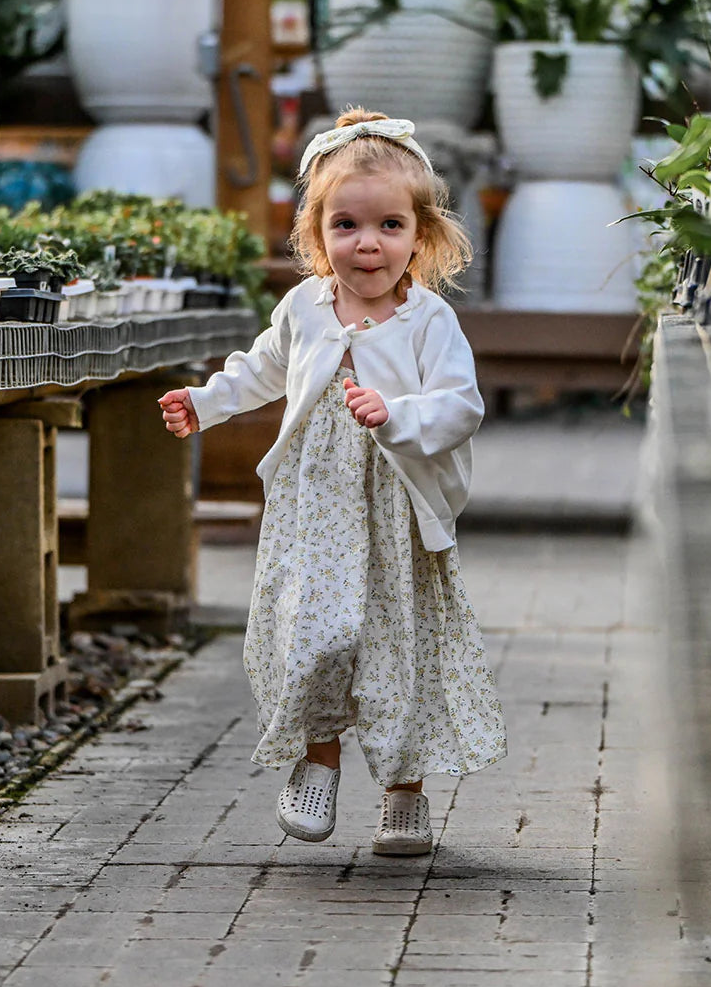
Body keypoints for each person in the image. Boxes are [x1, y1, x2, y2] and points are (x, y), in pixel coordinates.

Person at [158, 108, 506, 856]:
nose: (368, 244)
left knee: (394, 646)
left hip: (395, 512)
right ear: (318, 235)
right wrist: (204, 403)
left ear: (421, 234)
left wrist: (397, 412)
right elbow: (261, 370)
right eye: (346, 225)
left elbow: (461, 406)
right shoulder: (305, 308)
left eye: (388, 225)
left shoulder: (428, 321)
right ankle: (318, 759)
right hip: (317, 505)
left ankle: (403, 792)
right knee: (319, 635)